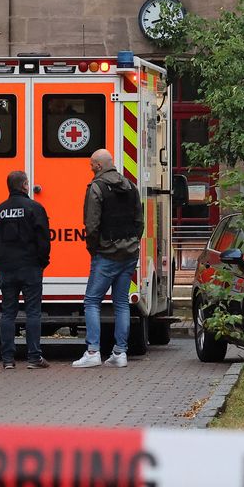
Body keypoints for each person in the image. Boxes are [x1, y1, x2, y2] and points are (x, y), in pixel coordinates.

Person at [73, 148, 143, 368]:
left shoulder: (97, 187)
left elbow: (91, 224)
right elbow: (139, 221)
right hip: (130, 253)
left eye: (92, 165)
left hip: (106, 253)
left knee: (92, 301)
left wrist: (94, 249)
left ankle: (93, 351)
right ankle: (120, 353)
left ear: (99, 166)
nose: (90, 168)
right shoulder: (131, 186)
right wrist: (132, 243)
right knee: (121, 303)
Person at [0, 170, 51, 370]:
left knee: (8, 313)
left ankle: (7, 360)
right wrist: (42, 261)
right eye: (27, 183)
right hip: (30, 266)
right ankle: (34, 358)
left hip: (6, 268)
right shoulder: (34, 208)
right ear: (24, 185)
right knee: (33, 312)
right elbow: (43, 238)